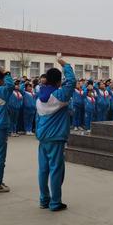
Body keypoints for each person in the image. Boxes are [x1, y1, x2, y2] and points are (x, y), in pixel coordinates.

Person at [35, 58, 76, 211]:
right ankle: (55, 202)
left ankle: (44, 199)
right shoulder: (59, 96)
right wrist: (66, 65)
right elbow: (71, 82)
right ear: (58, 82)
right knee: (56, 169)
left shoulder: (40, 97)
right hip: (56, 137)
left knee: (43, 169)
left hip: (43, 136)